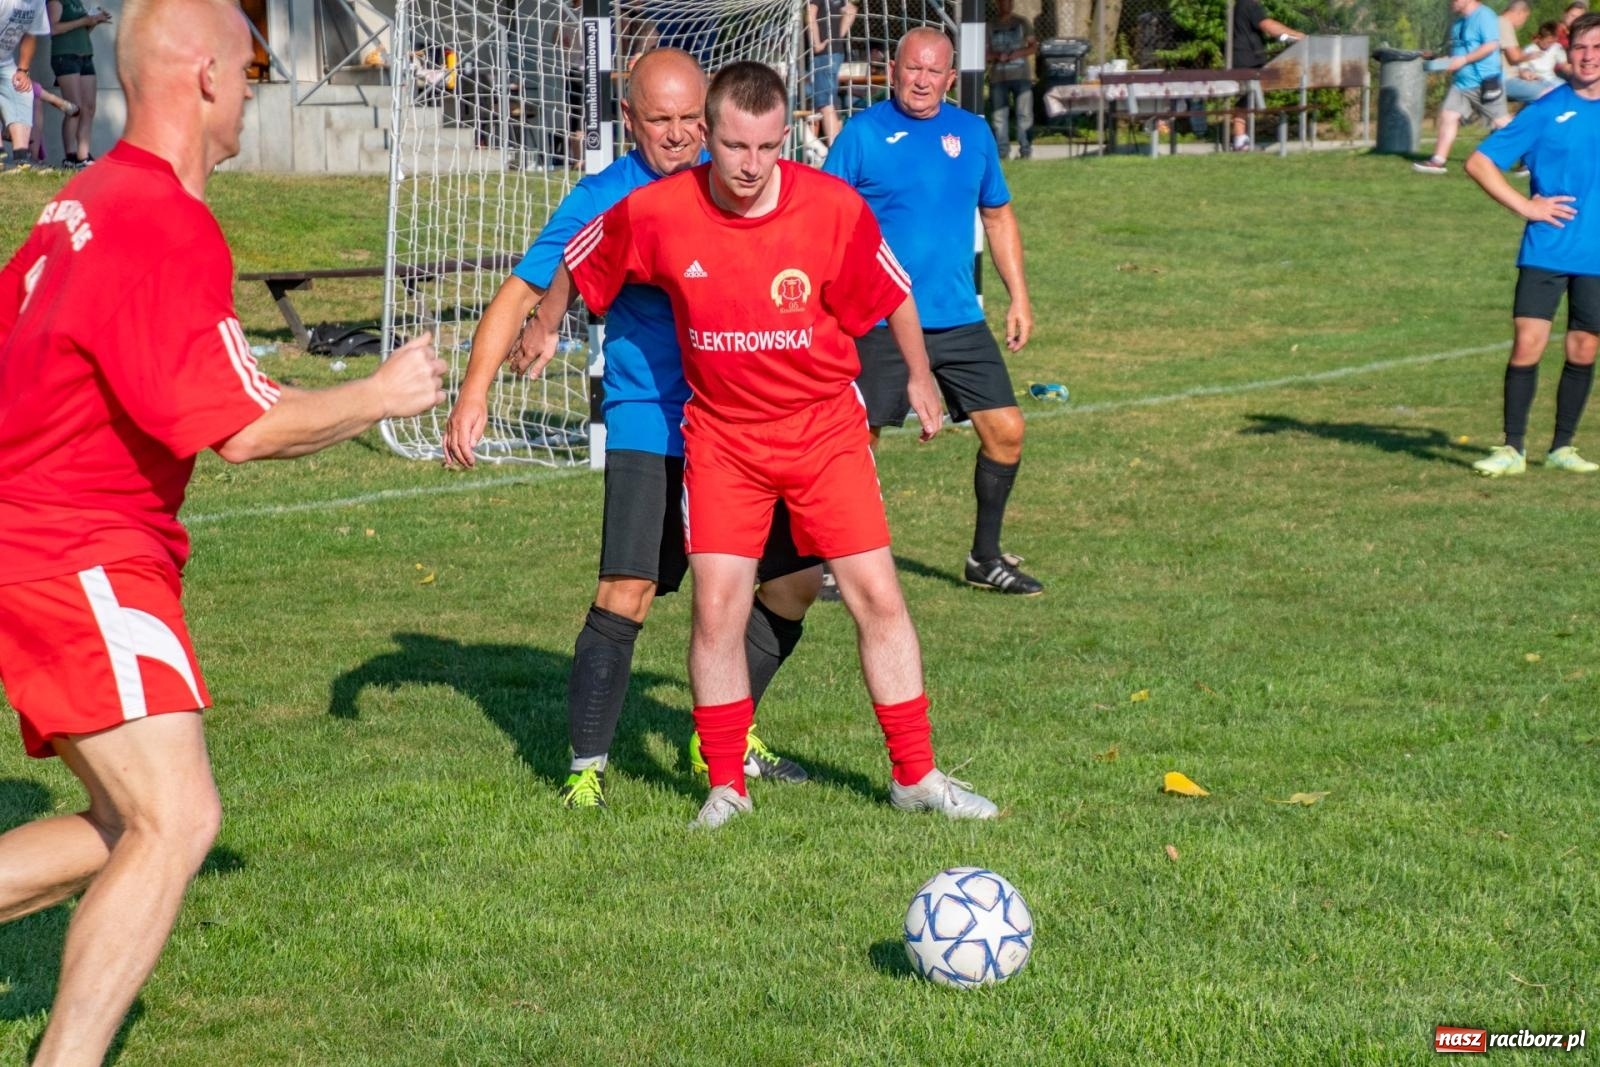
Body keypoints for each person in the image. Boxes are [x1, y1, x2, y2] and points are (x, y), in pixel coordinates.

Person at [0, 0, 445, 1061]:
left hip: (48, 541)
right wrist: (381, 394)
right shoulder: (161, 219)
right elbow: (243, 427)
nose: (255, 83)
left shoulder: (79, 204)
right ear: (202, 74)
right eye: (249, 63)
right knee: (179, 819)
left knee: (125, 826)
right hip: (80, 548)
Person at [526, 61, 999, 829]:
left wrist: (917, 373)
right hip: (722, 439)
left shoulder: (832, 209)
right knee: (717, 610)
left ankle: (915, 774)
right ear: (708, 135)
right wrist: (546, 326)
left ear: (788, 138)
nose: (748, 166)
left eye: (765, 148)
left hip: (824, 432)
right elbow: (583, 258)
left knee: (878, 596)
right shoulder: (659, 210)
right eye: (733, 146)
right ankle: (725, 787)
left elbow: (890, 290)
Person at [443, 49, 818, 811]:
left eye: (691, 120)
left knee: (793, 582)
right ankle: (587, 768)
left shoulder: (739, 178)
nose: (681, 137)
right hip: (653, 417)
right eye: (662, 121)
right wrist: (473, 393)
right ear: (629, 120)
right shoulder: (605, 196)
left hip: (745, 418)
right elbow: (522, 289)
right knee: (630, 589)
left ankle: (723, 727)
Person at [824, 28, 1041, 597]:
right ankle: (828, 559)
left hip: (957, 318)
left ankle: (985, 558)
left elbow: (997, 216)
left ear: (951, 78)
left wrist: (1018, 295)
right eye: (911, 69)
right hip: (879, 321)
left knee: (1006, 432)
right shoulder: (862, 135)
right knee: (856, 444)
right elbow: (823, 223)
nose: (921, 80)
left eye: (933, 71)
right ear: (892, 71)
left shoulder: (972, 134)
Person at [1464, 12, 1600, 477]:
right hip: (1547, 247)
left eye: (1598, 48)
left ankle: (1563, 447)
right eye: (1582, 47)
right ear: (1568, 51)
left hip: (1597, 255)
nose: (1589, 57)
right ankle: (1512, 448)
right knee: (1529, 342)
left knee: (1583, 348)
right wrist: (1527, 208)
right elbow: (1480, 163)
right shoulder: (1546, 108)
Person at [1414, 0, 1509, 174]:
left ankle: (1532, 157)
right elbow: (1458, 54)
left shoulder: (1485, 15)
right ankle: (1438, 161)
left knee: (1502, 123)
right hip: (1461, 83)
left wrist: (1464, 60)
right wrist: (1440, 60)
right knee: (1448, 115)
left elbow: (1491, 45)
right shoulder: (1458, 23)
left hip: (1484, 81)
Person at [1228, 0, 1306, 151]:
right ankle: (1239, 140)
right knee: (1247, 98)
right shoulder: (1250, 4)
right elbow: (1267, 25)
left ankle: (1240, 138)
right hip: (1248, 59)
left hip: (1243, 57)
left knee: (1247, 98)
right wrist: (1296, 35)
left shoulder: (1240, 5)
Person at [47, 0, 109, 168]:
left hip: (85, 55)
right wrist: (84, 21)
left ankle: (83, 156)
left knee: (88, 108)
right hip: (65, 56)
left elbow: (79, 31)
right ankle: (70, 156)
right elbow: (53, 28)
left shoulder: (77, 2)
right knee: (74, 108)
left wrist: (93, 22)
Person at [0, 0, 48, 171]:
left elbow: (31, 33)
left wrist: (23, 69)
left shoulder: (37, 2)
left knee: (23, 91)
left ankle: (22, 158)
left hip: (4, 60)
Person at [986, 0, 1036, 159]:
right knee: (999, 117)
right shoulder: (990, 25)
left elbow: (1034, 46)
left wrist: (1017, 54)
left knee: (1024, 114)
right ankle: (1002, 152)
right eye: (1001, 2)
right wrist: (996, 56)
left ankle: (1026, 150)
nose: (1005, 5)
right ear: (997, 4)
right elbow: (984, 53)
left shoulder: (1022, 23)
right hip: (998, 77)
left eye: (1008, 2)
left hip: (1021, 76)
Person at [805, 0, 857, 148]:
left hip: (823, 54)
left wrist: (817, 44)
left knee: (825, 103)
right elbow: (851, 10)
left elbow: (810, 15)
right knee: (826, 102)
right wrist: (838, 36)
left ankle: (835, 149)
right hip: (836, 52)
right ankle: (817, 149)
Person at [1509, 20, 1567, 102]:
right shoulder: (1530, 49)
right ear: (1540, 38)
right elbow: (1523, 68)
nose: (1549, 45)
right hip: (1537, 80)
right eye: (1548, 42)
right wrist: (1527, 73)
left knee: (1565, 89)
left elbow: (1564, 65)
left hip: (1552, 78)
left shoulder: (1556, 47)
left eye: (1552, 42)